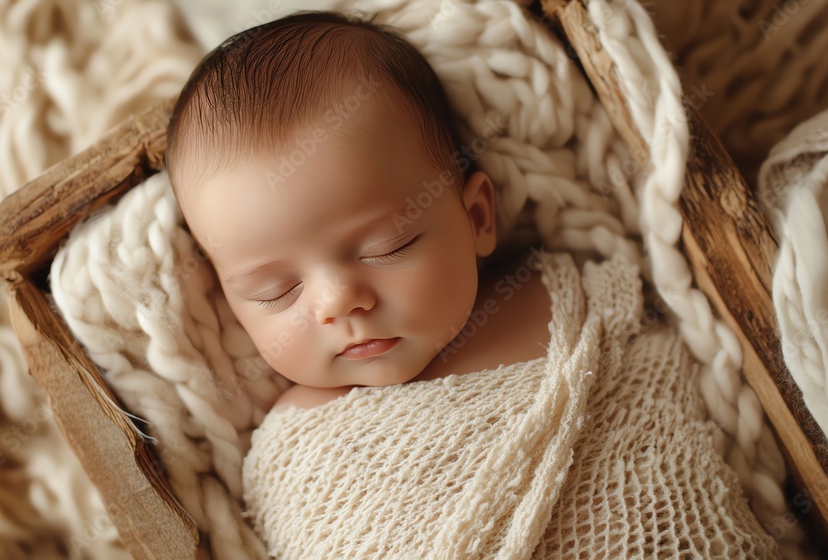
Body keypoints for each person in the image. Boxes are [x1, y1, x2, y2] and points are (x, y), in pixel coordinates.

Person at [165, 9, 553, 411]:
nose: (338, 301)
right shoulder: (302, 433)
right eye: (276, 291)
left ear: (477, 218)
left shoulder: (548, 298)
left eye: (388, 247)